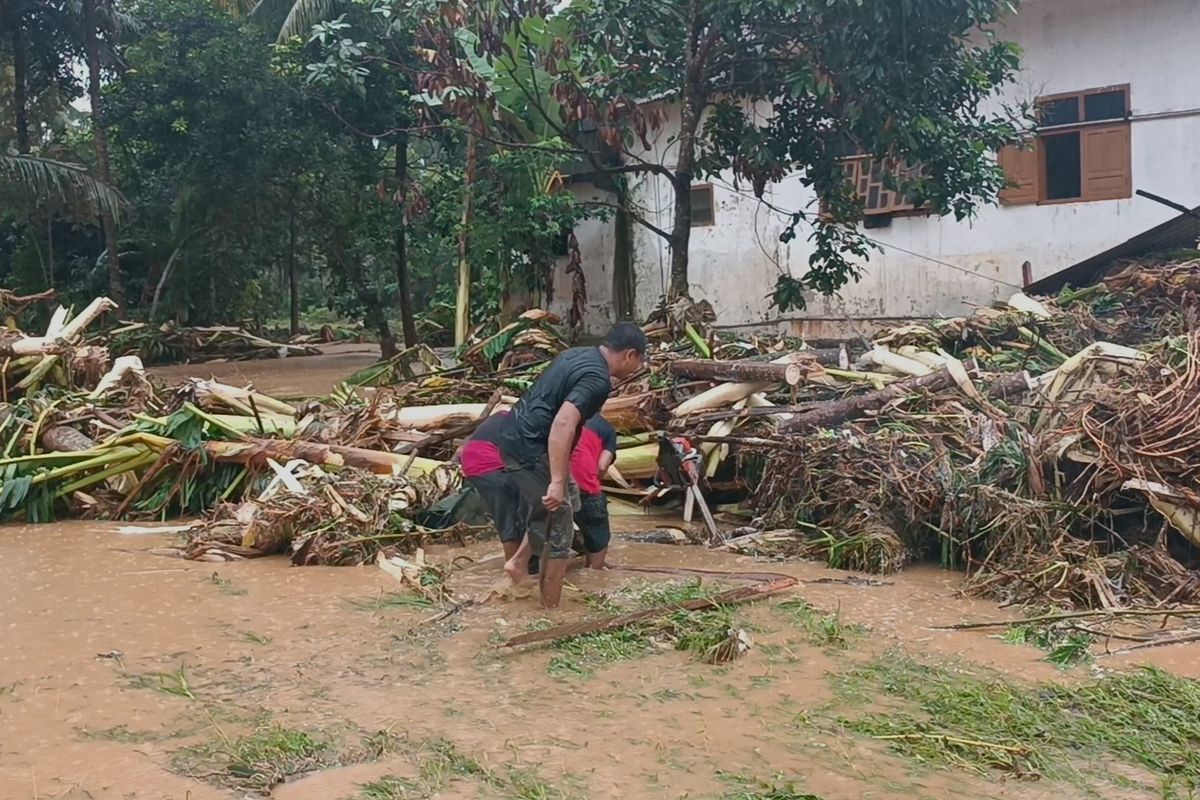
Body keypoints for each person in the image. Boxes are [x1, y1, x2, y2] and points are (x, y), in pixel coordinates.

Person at [496, 322, 646, 608]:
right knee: (558, 527)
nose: (638, 368)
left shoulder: (576, 354)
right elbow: (563, 422)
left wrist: (562, 474)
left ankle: (518, 562)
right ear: (630, 354)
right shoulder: (598, 379)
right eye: (639, 360)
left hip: (516, 437)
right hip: (531, 449)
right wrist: (555, 480)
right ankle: (550, 612)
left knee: (570, 497)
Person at [570, 414, 617, 570]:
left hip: (551, 479)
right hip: (584, 482)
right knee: (597, 530)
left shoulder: (561, 415)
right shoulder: (607, 428)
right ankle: (594, 570)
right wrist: (595, 481)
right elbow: (602, 466)